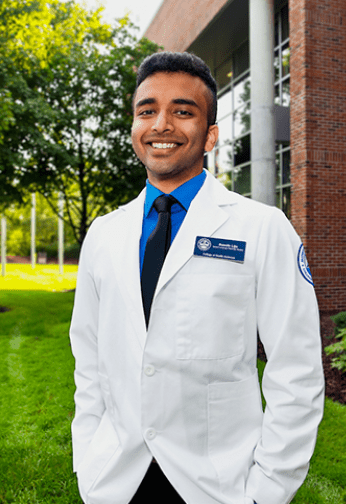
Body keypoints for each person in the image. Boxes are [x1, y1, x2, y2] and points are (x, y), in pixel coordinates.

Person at [69, 51, 324, 504]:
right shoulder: (104, 235)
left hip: (217, 485)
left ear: (210, 136)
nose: (161, 124)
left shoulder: (263, 229)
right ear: (133, 128)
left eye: (182, 111)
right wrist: (88, 459)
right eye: (147, 110)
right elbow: (89, 363)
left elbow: (297, 371)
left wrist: (267, 491)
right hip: (116, 481)